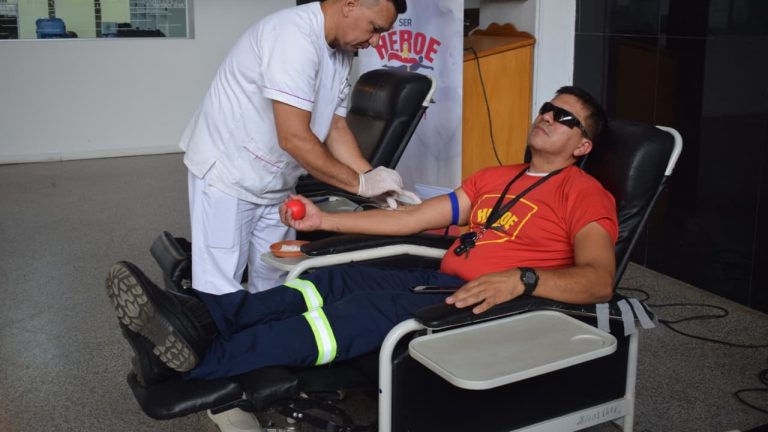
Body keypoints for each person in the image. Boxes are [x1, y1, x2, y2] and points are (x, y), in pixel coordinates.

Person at [106, 86, 617, 382]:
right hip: (440, 279)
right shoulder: (493, 177)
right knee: (327, 282)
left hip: (493, 306)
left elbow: (598, 282)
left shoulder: (585, 194)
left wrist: (521, 280)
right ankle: (193, 318)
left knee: (352, 315)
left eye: (565, 117)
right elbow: (405, 220)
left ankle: (190, 365)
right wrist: (323, 223)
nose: (548, 117)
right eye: (547, 108)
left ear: (582, 145)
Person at [178, 0, 417, 295]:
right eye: (375, 29)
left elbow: (333, 124)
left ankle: (263, 343)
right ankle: (212, 345)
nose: (376, 41)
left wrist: (373, 178)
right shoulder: (293, 37)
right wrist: (360, 184)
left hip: (276, 180)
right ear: (350, 5)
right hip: (228, 174)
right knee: (220, 286)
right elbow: (293, 137)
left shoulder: (343, 50)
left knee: (275, 277)